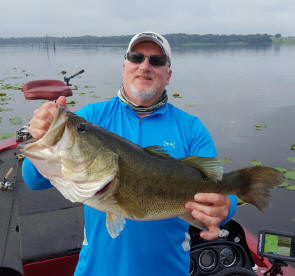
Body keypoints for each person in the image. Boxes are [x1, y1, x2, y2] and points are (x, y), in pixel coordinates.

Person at [22, 31, 237, 276]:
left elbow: (222, 191)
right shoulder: (93, 117)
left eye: (156, 61)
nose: (145, 66)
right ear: (124, 66)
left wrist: (226, 207)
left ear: (168, 75)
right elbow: (33, 180)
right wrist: (42, 137)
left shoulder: (190, 128)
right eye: (136, 58)